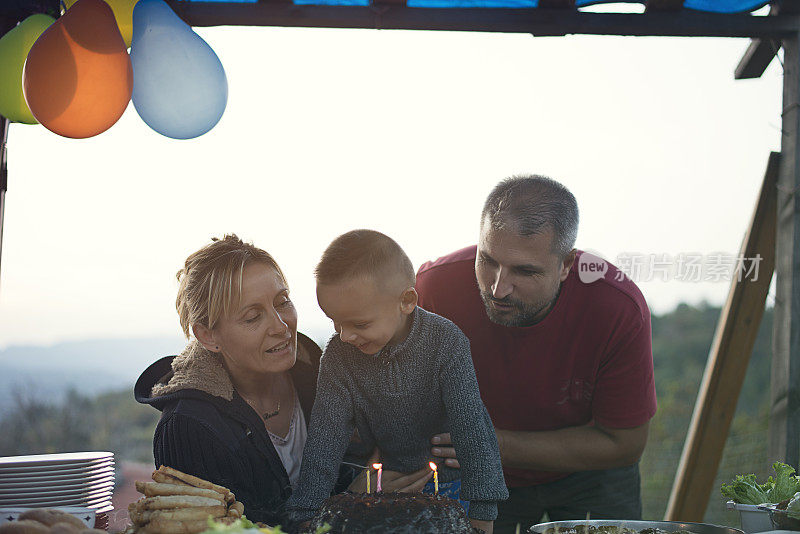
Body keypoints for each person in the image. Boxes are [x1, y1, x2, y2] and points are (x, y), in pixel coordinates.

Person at [415, 176, 657, 533]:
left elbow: (625, 443)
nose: (498, 287)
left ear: (565, 265)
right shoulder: (433, 288)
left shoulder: (617, 307)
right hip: (475, 471)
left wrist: (492, 443)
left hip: (591, 475)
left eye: (524, 271)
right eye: (488, 260)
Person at [135, 235, 431, 527]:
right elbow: (242, 527)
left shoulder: (317, 374)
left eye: (283, 302)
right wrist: (352, 499)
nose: (281, 326)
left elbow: (364, 453)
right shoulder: (188, 429)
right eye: (253, 317)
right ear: (208, 335)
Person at [285, 229, 508, 534]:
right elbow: (325, 439)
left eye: (359, 324)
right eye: (335, 322)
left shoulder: (446, 342)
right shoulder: (339, 356)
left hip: (453, 489)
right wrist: (306, 514)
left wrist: (483, 510)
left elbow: (472, 427)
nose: (345, 335)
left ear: (406, 301)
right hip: (382, 492)